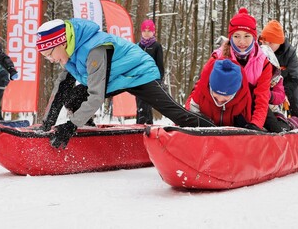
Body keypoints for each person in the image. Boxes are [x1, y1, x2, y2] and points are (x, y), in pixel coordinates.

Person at [36, 18, 215, 148]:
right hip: (115, 78)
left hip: (140, 74)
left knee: (177, 114)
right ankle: (86, 132)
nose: (50, 59)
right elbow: (62, 89)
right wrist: (47, 124)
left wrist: (70, 125)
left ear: (61, 43)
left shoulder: (94, 49)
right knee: (73, 97)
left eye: (49, 54)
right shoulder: (69, 53)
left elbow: (96, 96)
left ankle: (218, 130)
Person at [208, 8, 272, 130]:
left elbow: (262, 98)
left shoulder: (263, 62)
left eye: (247, 36)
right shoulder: (218, 57)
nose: (242, 42)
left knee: (275, 128)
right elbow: (199, 88)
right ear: (230, 37)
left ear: (254, 37)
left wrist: (255, 124)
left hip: (249, 110)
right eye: (236, 36)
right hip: (221, 109)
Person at [260, 20, 298, 124]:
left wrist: (284, 93)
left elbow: (294, 77)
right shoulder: (260, 49)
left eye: (271, 43)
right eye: (265, 42)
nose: (267, 45)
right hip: (265, 83)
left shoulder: (290, 52)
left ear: (279, 42)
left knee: (295, 102)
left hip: (286, 84)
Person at [185, 58, 252, 127]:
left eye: (225, 98)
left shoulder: (243, 99)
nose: (219, 101)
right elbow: (187, 120)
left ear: (235, 93)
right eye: (215, 97)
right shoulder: (200, 94)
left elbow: (248, 126)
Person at [136, 19, 164, 124]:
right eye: (144, 31)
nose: (146, 33)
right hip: (138, 80)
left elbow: (160, 65)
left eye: (149, 31)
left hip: (151, 80)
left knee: (146, 104)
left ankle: (147, 126)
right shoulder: (138, 46)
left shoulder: (156, 46)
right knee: (139, 105)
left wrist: (159, 80)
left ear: (153, 32)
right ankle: (139, 126)